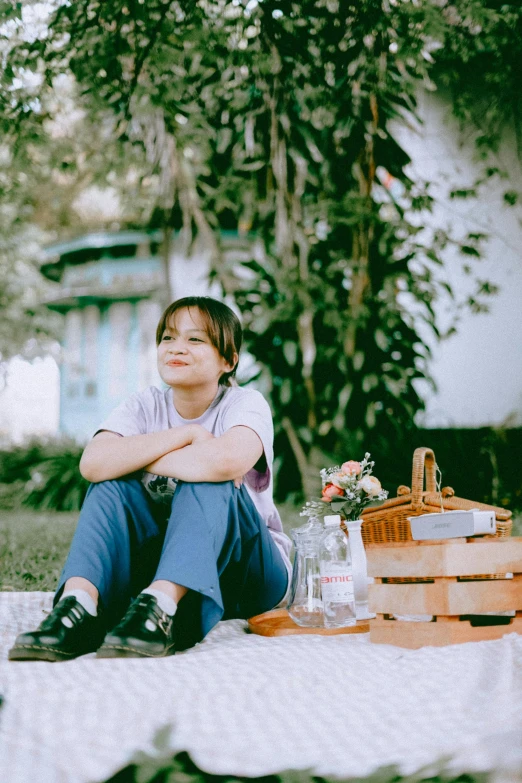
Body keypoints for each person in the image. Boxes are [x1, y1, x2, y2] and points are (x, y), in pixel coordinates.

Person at [9, 296, 291, 661]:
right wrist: (186, 437)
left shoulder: (244, 404)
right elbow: (94, 464)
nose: (177, 349)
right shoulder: (144, 405)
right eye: (168, 338)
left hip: (249, 573)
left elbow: (225, 462)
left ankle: (161, 610)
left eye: (195, 340)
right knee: (111, 485)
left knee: (208, 480)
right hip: (165, 562)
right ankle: (77, 607)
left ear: (228, 360)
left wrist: (138, 457)